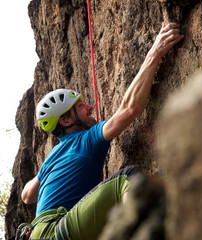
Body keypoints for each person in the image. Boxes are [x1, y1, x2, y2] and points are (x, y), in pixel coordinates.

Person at [21, 22, 183, 240]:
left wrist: (45, 178)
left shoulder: (51, 159)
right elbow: (129, 109)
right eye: (80, 106)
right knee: (127, 178)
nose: (90, 107)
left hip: (40, 233)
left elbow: (27, 195)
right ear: (67, 119)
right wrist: (155, 52)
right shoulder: (86, 140)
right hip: (55, 231)